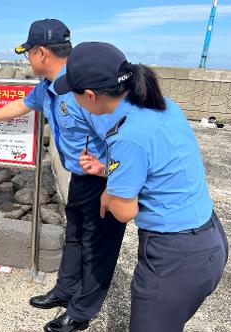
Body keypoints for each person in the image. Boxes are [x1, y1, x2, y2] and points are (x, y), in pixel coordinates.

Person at [54, 41, 228, 332]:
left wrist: (110, 194)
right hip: (209, 239)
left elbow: (124, 211)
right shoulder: (160, 105)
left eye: (73, 93)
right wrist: (105, 172)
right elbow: (156, 167)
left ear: (90, 96)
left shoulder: (126, 135)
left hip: (174, 256)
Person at [0, 19, 126, 332]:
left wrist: (115, 185)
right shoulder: (49, 87)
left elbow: (121, 139)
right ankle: (64, 290)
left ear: (41, 53)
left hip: (106, 182)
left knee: (99, 249)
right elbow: (22, 105)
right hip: (81, 177)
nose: (27, 59)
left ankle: (80, 313)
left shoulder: (83, 89)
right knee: (75, 236)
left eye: (28, 52)